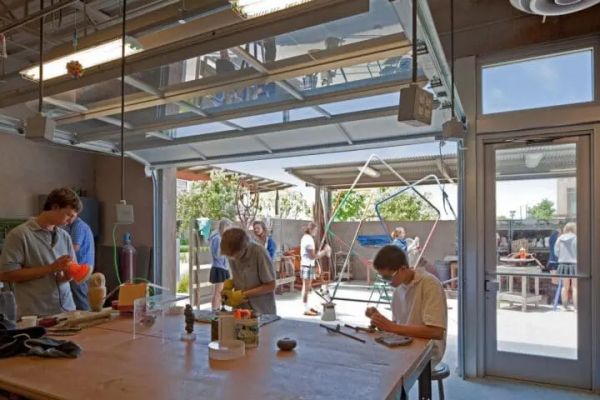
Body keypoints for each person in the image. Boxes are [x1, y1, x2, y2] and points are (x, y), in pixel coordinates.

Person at [0, 188, 79, 317]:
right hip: (36, 314)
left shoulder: (65, 236)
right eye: (69, 215)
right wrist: (51, 268)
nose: (71, 221)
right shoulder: (19, 235)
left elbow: (63, 277)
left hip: (67, 310)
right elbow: (6, 274)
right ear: (55, 207)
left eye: (74, 217)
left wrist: (70, 274)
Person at [367, 245, 447, 367]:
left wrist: (392, 327)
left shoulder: (430, 284)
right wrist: (380, 321)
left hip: (427, 353)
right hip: (405, 345)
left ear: (403, 269)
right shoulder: (399, 289)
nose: (387, 282)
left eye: (388, 277)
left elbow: (436, 332)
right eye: (382, 277)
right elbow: (399, 327)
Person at [220, 227, 277, 315]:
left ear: (244, 248)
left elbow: (271, 285)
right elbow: (241, 276)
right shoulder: (232, 254)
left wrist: (243, 295)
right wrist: (230, 284)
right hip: (240, 310)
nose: (232, 258)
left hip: (261, 310)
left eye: (234, 255)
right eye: (229, 255)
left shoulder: (259, 253)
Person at [300, 222, 330, 316]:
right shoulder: (308, 239)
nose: (316, 232)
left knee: (307, 288)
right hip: (307, 266)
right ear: (311, 229)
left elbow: (312, 255)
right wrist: (324, 251)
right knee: (306, 288)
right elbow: (313, 256)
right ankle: (305, 309)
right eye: (315, 230)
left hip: (307, 265)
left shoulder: (306, 238)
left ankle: (307, 307)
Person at [65, 216, 94, 311]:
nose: (66, 218)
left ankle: (87, 318)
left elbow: (75, 247)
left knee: (81, 301)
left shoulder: (78, 226)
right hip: (81, 268)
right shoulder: (72, 226)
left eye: (70, 215)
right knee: (80, 298)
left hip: (80, 270)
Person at [208, 219, 232, 311]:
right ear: (222, 227)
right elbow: (217, 255)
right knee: (218, 292)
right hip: (219, 268)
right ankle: (215, 311)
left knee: (221, 292)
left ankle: (218, 309)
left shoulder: (221, 238)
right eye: (227, 229)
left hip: (223, 267)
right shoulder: (217, 239)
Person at [555, 222, 577, 309]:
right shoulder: (577, 238)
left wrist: (562, 256)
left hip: (563, 264)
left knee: (565, 286)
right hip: (575, 264)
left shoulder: (560, 239)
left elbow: (556, 252)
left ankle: (565, 306)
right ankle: (576, 307)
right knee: (575, 287)